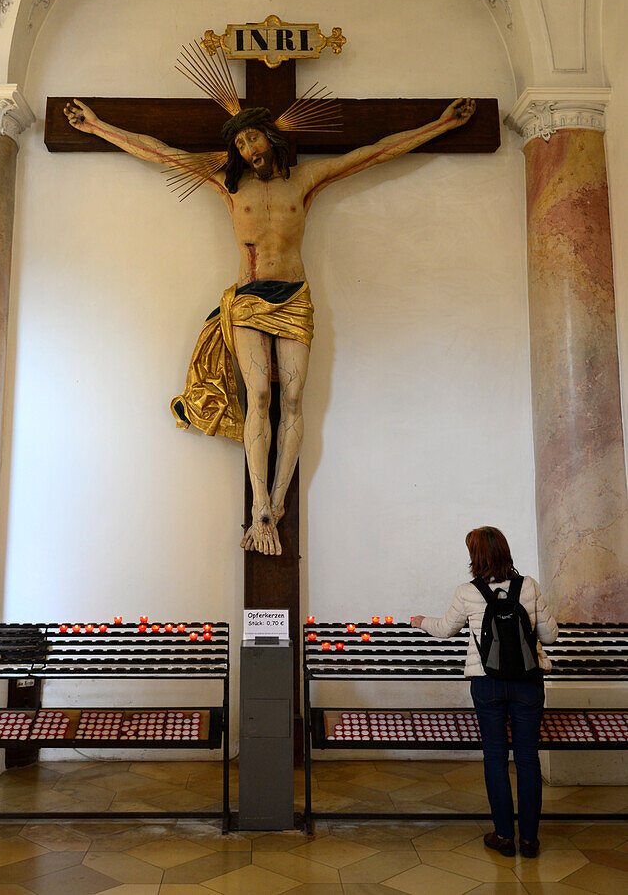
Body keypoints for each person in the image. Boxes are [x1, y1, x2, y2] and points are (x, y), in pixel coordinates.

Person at [64, 95, 475, 556]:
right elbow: (162, 153)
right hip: (249, 299)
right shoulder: (229, 185)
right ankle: (259, 503)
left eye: (252, 137)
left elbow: (373, 153)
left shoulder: (304, 180)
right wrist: (99, 127)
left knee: (294, 398)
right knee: (258, 396)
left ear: (270, 138)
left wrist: (439, 125)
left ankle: (277, 503)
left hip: (295, 297)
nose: (246, 148)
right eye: (239, 142)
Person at [411, 525, 558, 858]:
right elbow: (549, 637)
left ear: (474, 557)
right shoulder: (529, 586)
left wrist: (420, 621)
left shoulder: (467, 592)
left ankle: (504, 836)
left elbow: (446, 629)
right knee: (527, 759)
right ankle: (530, 841)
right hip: (528, 682)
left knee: (495, 757)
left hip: (487, 682)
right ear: (505, 551)